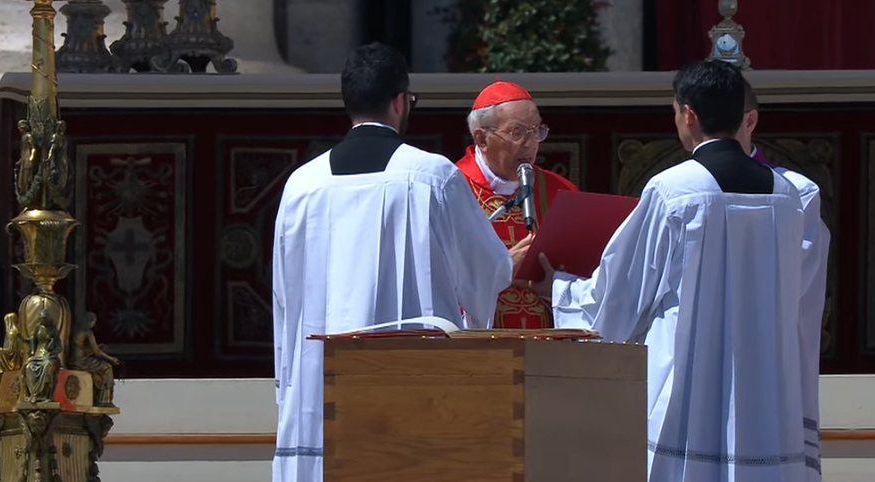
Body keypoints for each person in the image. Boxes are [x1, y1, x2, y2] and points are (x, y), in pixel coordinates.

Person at [530, 60, 811, 481]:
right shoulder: (787, 195)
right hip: (764, 386)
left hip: (689, 377)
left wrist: (562, 289)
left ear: (689, 114)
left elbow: (623, 290)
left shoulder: (675, 189)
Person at [270, 42, 514, 482]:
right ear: (401, 101)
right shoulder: (430, 176)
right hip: (411, 380)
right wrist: (504, 263)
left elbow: (285, 297)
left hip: (318, 382)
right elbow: (487, 270)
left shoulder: (301, 185)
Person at [738, 79, 831, 481]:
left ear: (750, 120)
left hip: (768, 356)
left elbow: (793, 280)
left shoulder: (797, 192)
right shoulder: (675, 188)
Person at [455, 80, 579, 329]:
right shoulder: (452, 190)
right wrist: (500, 271)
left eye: (536, 131)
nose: (531, 143)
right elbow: (435, 283)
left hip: (549, 353)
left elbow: (587, 275)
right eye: (517, 132)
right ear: (482, 138)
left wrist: (556, 286)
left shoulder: (561, 192)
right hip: (476, 353)